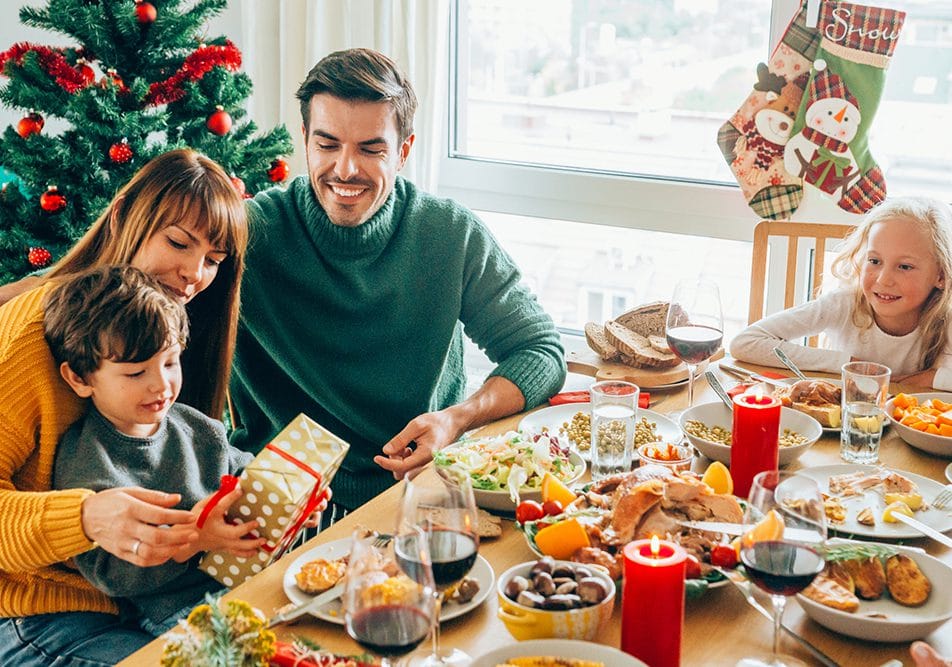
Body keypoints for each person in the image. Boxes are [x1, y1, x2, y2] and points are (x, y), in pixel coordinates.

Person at [229, 48, 567, 512]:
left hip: (419, 492)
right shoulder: (244, 233)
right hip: (278, 505)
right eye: (327, 145)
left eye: (371, 149)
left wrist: (457, 419)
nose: (345, 169)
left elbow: (541, 350)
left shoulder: (448, 232)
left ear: (403, 151)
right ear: (305, 139)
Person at [0, 148, 250, 666]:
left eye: (213, 261)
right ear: (122, 219)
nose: (192, 274)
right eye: (178, 243)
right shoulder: (30, 338)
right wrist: (86, 516)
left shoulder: (169, 332)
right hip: (34, 613)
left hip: (140, 601)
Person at [47, 265, 264, 636]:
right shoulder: (87, 462)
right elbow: (116, 576)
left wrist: (291, 493)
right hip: (178, 609)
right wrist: (194, 539)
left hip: (246, 572)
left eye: (170, 362)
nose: (161, 385)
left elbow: (246, 472)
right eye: (136, 374)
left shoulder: (194, 425)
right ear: (80, 379)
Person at [730, 197, 952, 389]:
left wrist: (929, 378)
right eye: (874, 261)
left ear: (940, 276)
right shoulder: (845, 303)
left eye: (904, 266)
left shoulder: (945, 316)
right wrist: (846, 364)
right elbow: (745, 342)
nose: (883, 279)